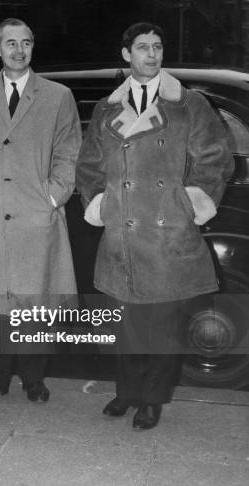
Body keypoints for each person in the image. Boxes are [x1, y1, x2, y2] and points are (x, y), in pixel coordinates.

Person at [76, 22, 233, 429]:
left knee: (163, 325)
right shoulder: (106, 108)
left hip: (168, 232)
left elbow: (215, 158)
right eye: (143, 48)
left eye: (157, 47)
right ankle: (126, 391)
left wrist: (192, 202)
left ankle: (152, 399)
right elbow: (89, 164)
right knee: (125, 321)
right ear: (126, 54)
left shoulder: (188, 103)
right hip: (122, 233)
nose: (152, 55)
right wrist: (98, 202)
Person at [0, 18, 82, 403]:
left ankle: (33, 379)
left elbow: (69, 152)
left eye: (25, 43)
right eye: (11, 43)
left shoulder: (57, 95)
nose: (19, 50)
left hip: (37, 213)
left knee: (36, 304)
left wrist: (53, 197)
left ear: (33, 46)